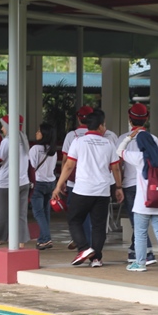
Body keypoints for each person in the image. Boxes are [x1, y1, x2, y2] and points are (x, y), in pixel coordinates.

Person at [54, 109, 124, 267]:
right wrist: (118, 187)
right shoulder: (108, 144)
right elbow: (115, 168)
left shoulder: (78, 142)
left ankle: (84, 248)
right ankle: (96, 258)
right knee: (99, 225)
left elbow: (69, 165)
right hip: (103, 191)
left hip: (82, 190)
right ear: (99, 126)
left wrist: (59, 185)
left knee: (74, 219)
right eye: (104, 125)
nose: (105, 127)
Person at [118, 128, 158, 273]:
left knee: (140, 233)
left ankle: (140, 263)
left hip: (143, 204)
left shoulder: (139, 157)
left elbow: (119, 151)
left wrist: (129, 138)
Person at [118, 103, 158, 265]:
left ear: (130, 119)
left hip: (129, 185)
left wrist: (118, 185)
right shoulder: (153, 139)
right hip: (148, 185)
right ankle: (133, 250)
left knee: (136, 221)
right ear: (146, 119)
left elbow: (117, 164)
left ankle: (147, 252)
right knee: (140, 221)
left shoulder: (123, 139)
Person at [0, 115, 30, 247]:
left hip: (6, 182)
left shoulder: (7, 141)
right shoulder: (24, 139)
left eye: (3, 126)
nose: (2, 129)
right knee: (21, 214)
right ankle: (21, 240)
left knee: (0, 213)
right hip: (23, 181)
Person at [61, 106, 96, 250]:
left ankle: (82, 241)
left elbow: (66, 161)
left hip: (73, 181)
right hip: (94, 181)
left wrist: (62, 181)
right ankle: (87, 241)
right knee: (91, 214)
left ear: (78, 118)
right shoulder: (100, 136)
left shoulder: (72, 136)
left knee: (75, 214)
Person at [31, 122, 58, 251]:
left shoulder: (35, 149)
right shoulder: (53, 151)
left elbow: (31, 167)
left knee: (38, 212)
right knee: (45, 212)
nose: (36, 133)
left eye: (39, 131)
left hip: (38, 183)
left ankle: (46, 238)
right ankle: (42, 240)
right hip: (50, 183)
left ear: (44, 134)